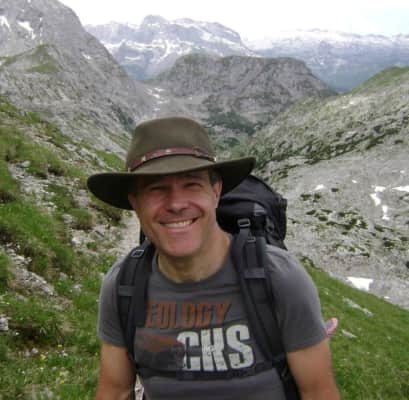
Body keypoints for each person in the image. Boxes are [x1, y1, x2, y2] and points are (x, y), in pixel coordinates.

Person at [87, 116, 340, 400]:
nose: (176, 204)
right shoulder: (123, 285)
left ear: (216, 192)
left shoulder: (279, 277)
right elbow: (115, 391)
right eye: (156, 189)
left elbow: (318, 393)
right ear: (135, 203)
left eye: (192, 184)